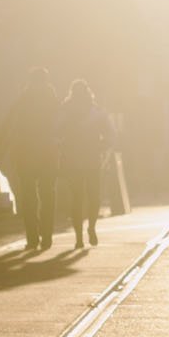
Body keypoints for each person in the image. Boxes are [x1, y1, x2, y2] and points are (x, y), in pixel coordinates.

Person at [0, 68, 61, 252]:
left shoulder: (23, 99)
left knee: (29, 196)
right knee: (48, 194)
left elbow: (8, 124)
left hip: (26, 154)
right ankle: (46, 237)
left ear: (30, 81)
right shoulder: (54, 100)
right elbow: (62, 127)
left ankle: (32, 238)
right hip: (48, 154)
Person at [57, 79, 112, 248]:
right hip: (92, 160)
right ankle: (92, 227)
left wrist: (63, 150)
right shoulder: (96, 111)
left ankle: (79, 238)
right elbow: (109, 134)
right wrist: (101, 147)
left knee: (76, 198)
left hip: (73, 160)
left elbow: (57, 133)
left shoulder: (65, 111)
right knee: (94, 196)